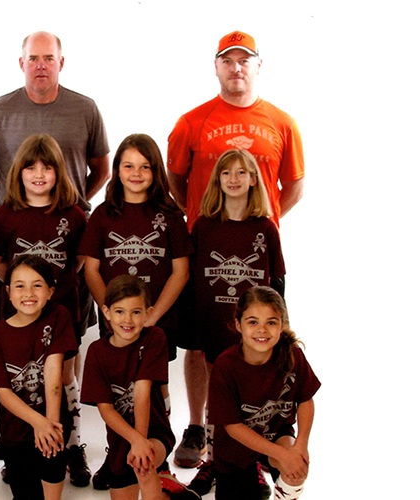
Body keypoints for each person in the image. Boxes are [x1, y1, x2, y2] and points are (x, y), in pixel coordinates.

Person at [0, 29, 108, 483]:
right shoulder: (0, 110)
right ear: (21, 62)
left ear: (61, 63)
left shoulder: (84, 108)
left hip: (62, 292)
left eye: (50, 57)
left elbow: (101, 168)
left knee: (65, 364)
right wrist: (4, 205)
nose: (41, 64)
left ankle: (71, 443)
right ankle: (20, 442)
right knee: (17, 361)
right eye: (34, 57)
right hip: (19, 291)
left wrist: (75, 200)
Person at [166, 30, 304, 475]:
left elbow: (295, 185)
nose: (237, 67)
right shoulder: (192, 121)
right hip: (204, 252)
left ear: (258, 66)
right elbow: (175, 180)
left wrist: (255, 222)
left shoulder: (282, 123)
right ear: (216, 66)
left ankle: (253, 435)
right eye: (228, 60)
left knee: (257, 344)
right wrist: (209, 219)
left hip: (256, 258)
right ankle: (198, 428)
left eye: (245, 60)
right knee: (199, 344)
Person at [79, 133, 192, 490]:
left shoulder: (169, 214)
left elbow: (181, 270)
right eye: (128, 165)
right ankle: (118, 458)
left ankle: (160, 458)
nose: (136, 173)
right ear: (117, 170)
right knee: (118, 389)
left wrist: (155, 313)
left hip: (155, 318)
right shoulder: (104, 214)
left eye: (145, 166)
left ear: (156, 171)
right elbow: (92, 269)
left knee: (155, 388)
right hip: (118, 319)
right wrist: (105, 307)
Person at [0, 134, 90, 485]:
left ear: (60, 172)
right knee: (18, 378)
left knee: (62, 378)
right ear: (19, 172)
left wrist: (49, 293)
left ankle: (71, 446)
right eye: (31, 167)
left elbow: (78, 261)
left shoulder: (73, 216)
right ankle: (18, 444)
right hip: (18, 316)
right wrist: (22, 293)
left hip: (61, 311)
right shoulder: (4, 216)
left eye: (47, 167)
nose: (39, 174)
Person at [184, 149, 286, 497]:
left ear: (254, 179)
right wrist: (194, 328)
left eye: (242, 172)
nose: (234, 179)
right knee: (219, 398)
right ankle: (212, 461)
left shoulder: (265, 228)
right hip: (213, 324)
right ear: (217, 180)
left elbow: (278, 285)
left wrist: (277, 330)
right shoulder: (204, 226)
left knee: (250, 398)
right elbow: (191, 280)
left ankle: (252, 463)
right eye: (226, 173)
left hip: (252, 333)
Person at [81, 275, 200, 500]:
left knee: (143, 464)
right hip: (120, 440)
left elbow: (142, 392)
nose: (128, 319)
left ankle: (160, 481)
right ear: (106, 312)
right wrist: (133, 440)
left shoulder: (154, 338)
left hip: (153, 432)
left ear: (148, 312)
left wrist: (141, 442)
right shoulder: (97, 351)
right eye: (119, 311)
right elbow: (106, 409)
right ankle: (171, 490)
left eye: (136, 312)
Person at [208, 286, 320, 500]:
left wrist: (300, 448)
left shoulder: (292, 355)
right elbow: (233, 428)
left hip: (277, 433)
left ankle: (284, 494)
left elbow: (306, 399)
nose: (262, 330)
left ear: (281, 325)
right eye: (253, 322)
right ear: (238, 325)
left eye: (271, 322)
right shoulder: (226, 365)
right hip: (235, 451)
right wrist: (282, 455)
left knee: (295, 470)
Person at [0, 255, 78, 499]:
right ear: (7, 292)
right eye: (20, 285)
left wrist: (49, 424)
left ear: (50, 291)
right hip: (15, 428)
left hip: (54, 418)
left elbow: (54, 373)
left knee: (52, 465)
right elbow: (4, 393)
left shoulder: (58, 316)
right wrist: (38, 423)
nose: (28, 293)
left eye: (37, 285)